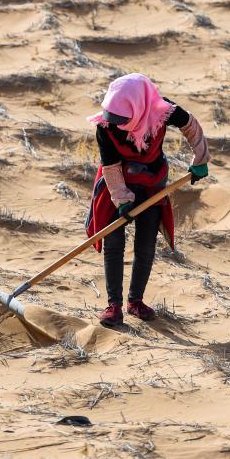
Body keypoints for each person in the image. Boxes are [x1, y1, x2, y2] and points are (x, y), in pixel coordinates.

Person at [84, 72, 210, 326]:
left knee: (145, 245)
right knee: (114, 243)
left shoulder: (162, 110)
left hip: (152, 183)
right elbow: (110, 167)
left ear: (138, 106)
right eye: (113, 118)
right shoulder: (105, 126)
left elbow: (191, 125)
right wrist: (122, 201)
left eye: (122, 119)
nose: (117, 124)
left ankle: (135, 302)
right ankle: (114, 306)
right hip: (115, 184)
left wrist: (200, 158)